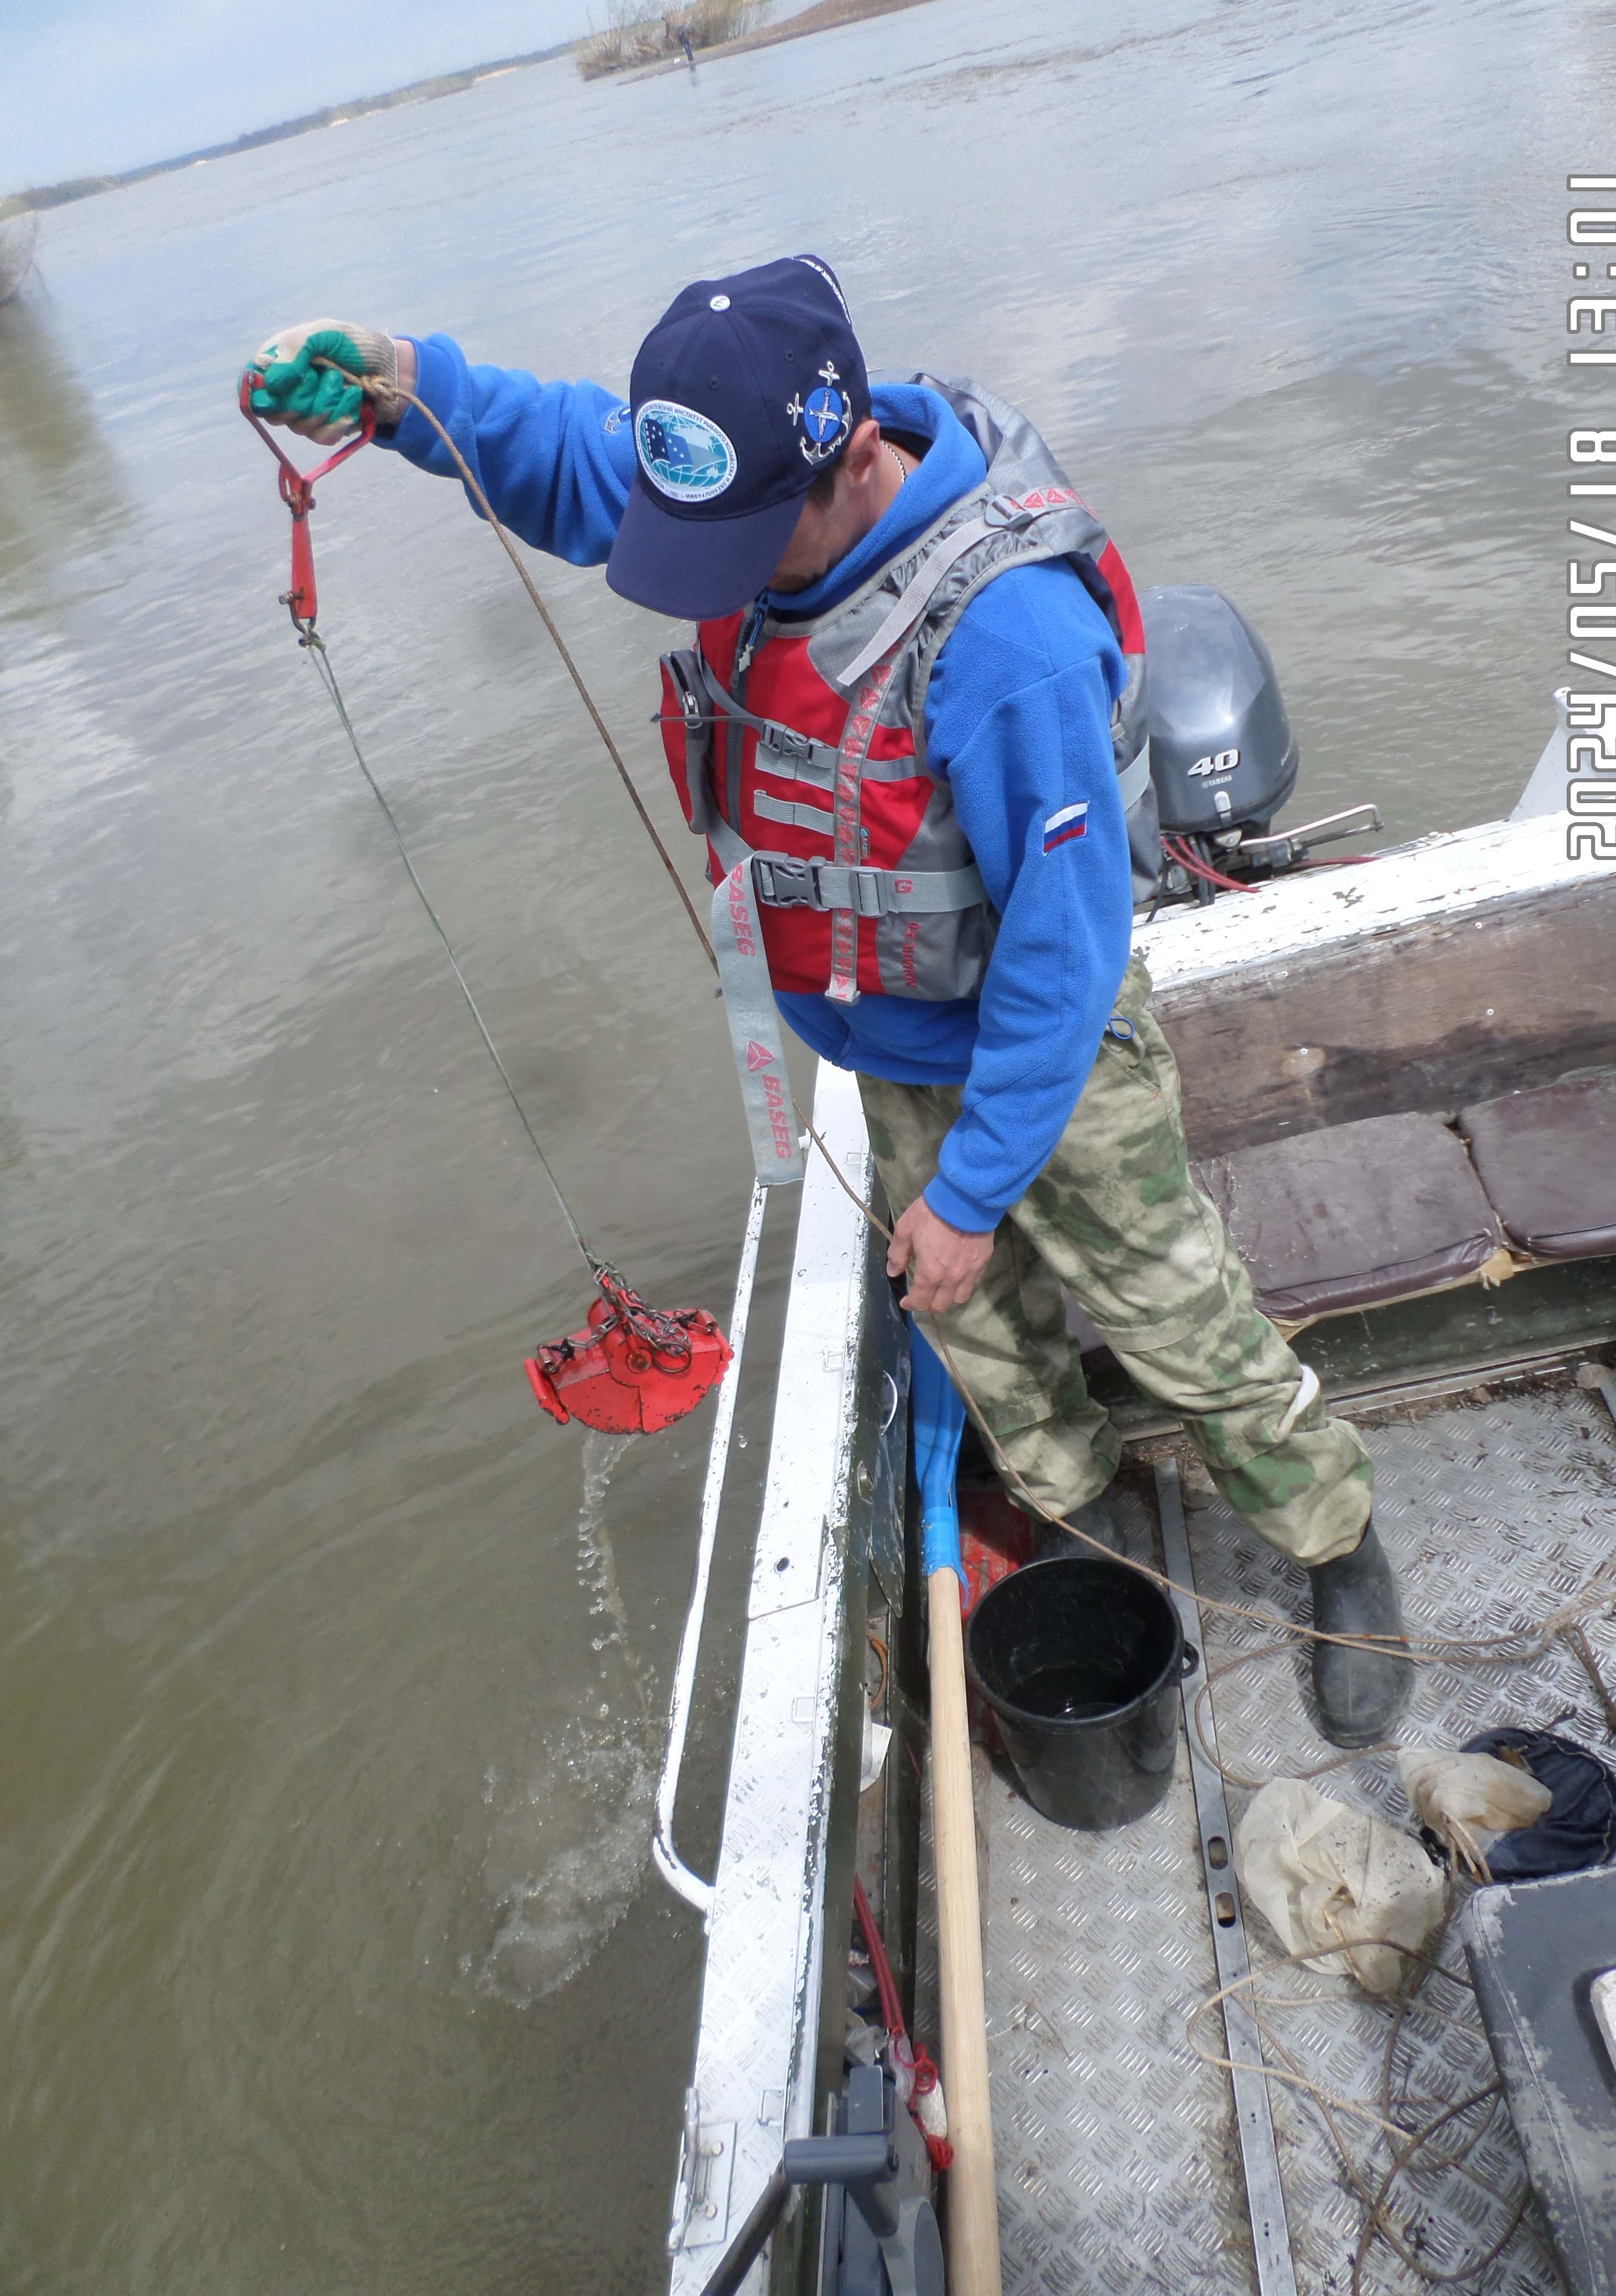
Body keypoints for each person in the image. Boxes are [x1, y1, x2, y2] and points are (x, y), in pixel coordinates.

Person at [244, 258, 1411, 1746]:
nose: (708, 574)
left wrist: (984, 1183)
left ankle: (1335, 1541)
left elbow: (1066, 951)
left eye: (738, 544)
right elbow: (555, 456)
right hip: (889, 1050)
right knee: (979, 1331)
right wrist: (410, 389)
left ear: (858, 455)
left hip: (1043, 1052)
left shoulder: (1009, 642)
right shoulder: (746, 498)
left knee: (1178, 1314)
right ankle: (1073, 1513)